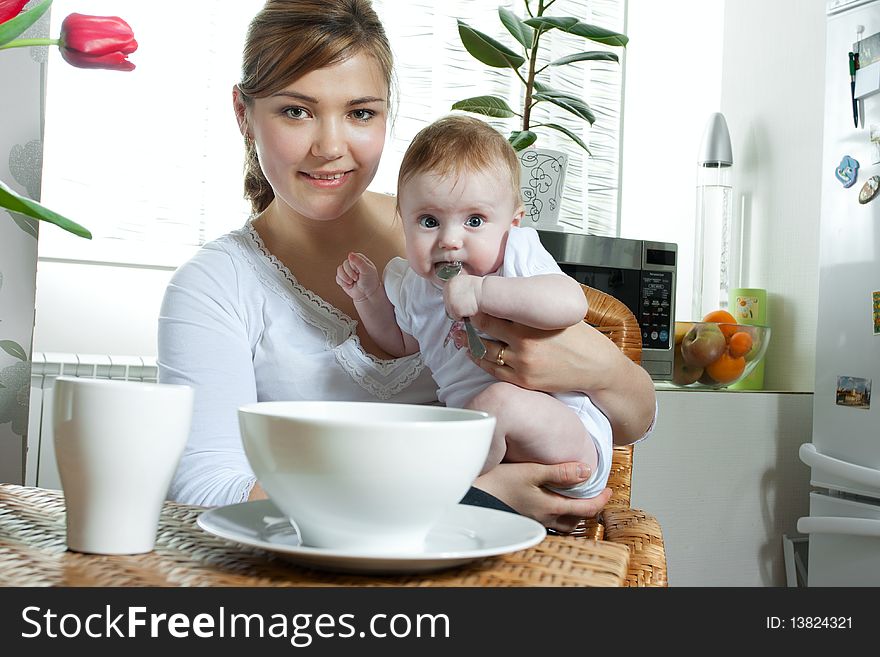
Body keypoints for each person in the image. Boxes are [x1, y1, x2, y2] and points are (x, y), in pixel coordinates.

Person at [157, 0, 656, 532]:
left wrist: (596, 368)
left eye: (360, 113)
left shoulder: (465, 235)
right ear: (243, 114)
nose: (330, 147)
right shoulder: (215, 288)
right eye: (296, 111)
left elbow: (635, 418)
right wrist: (471, 495)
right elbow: (203, 495)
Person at [336, 115, 609, 499]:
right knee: (424, 431)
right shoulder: (414, 286)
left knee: (497, 403)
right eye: (429, 221)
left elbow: (570, 304)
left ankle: (444, 489)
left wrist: (484, 293)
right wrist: (368, 297)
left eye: (475, 220)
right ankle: (454, 488)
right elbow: (402, 343)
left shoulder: (514, 256)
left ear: (511, 223)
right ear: (403, 220)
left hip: (565, 434)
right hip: (487, 442)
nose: (450, 240)